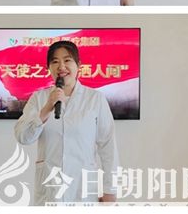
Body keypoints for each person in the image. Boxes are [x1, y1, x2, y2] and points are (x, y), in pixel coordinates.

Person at [14, 41, 119, 205]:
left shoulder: (95, 99)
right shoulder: (39, 98)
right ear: (49, 68)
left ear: (78, 65)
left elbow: (108, 147)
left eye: (67, 60)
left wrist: (110, 190)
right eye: (55, 61)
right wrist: (46, 109)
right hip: (50, 190)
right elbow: (23, 137)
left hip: (83, 190)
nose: (61, 66)